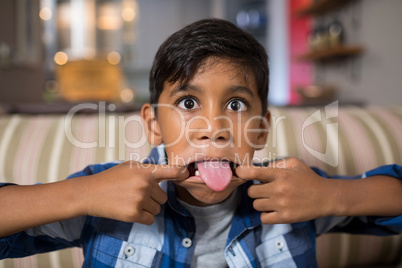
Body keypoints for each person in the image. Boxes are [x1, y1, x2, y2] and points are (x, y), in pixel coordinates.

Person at [1, 18, 402, 267]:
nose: (213, 126)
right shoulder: (102, 198)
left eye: (236, 103)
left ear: (261, 130)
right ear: (154, 124)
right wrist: (80, 194)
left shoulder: (296, 194)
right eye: (188, 102)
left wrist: (333, 196)